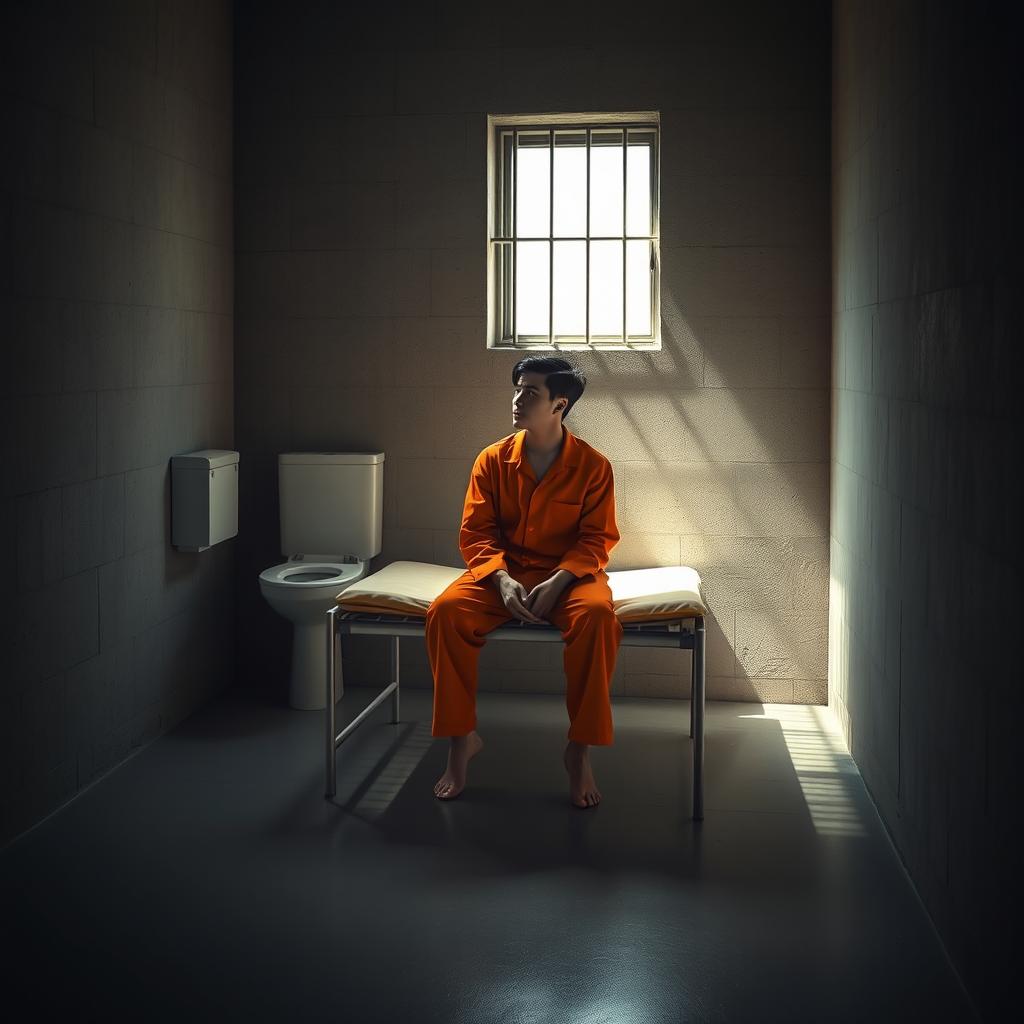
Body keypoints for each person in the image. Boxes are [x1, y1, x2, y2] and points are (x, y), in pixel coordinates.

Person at [425, 357, 622, 807]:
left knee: (596, 618)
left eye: (530, 392)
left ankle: (580, 750)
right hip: (502, 574)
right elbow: (476, 533)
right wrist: (498, 578)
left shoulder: (594, 466)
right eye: (517, 388)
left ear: (560, 403)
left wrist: (559, 581)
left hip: (570, 578)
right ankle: (461, 740)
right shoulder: (491, 460)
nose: (517, 399)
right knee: (447, 612)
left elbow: (597, 538)